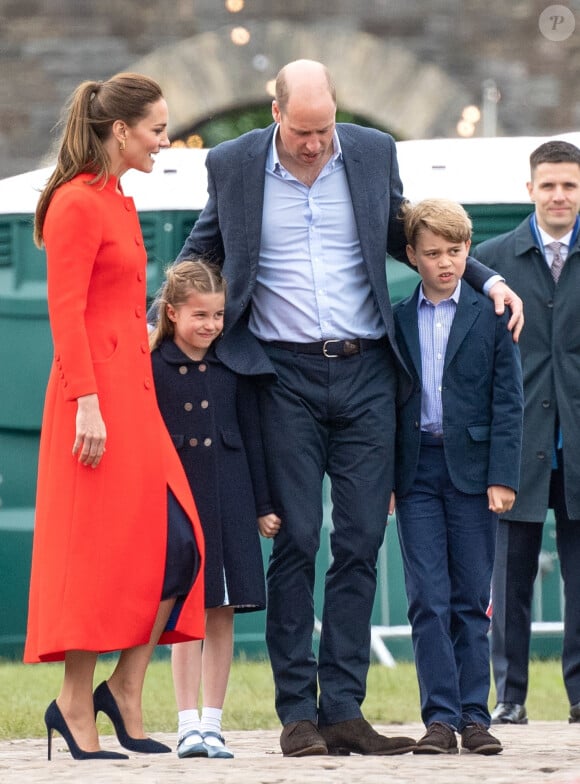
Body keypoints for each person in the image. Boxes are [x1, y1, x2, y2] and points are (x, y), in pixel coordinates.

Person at [171, 58, 524, 757]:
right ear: (276, 115)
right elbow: (201, 250)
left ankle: (345, 710)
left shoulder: (370, 152)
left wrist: (484, 279)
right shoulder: (233, 165)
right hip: (283, 374)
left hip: (367, 374)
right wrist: (161, 329)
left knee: (360, 542)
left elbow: (413, 234)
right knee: (298, 538)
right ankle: (298, 713)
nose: (316, 144)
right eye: (303, 131)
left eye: (325, 127)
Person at [24, 73, 205, 762]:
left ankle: (124, 687)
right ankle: (75, 702)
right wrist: (87, 404)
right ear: (120, 129)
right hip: (93, 402)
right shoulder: (75, 203)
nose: (166, 139)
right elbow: (65, 313)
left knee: (179, 545)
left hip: (133, 397)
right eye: (158, 129)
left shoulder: (118, 199)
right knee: (97, 554)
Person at [391, 199, 523, 755]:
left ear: (467, 251)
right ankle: (440, 719)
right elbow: (388, 403)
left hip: (473, 473)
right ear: (411, 257)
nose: (446, 262)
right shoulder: (395, 319)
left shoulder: (489, 315)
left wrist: (503, 476)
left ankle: (475, 715)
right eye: (433, 253)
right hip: (415, 469)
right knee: (428, 598)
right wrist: (389, 480)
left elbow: (508, 401)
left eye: (455, 251)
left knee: (472, 596)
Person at [149, 259, 281, 760]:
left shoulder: (233, 366)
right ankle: (186, 724)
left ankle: (213, 724)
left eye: (218, 315)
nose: (210, 325)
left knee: (223, 612)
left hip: (232, 500)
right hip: (182, 507)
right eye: (199, 315)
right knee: (188, 614)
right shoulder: (154, 366)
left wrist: (264, 505)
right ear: (172, 312)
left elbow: (252, 437)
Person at [472, 140, 580, 726]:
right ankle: (509, 696)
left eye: (569, 185)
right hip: (515, 444)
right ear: (530, 190)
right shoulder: (492, 262)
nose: (559, 195)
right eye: (549, 185)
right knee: (508, 575)